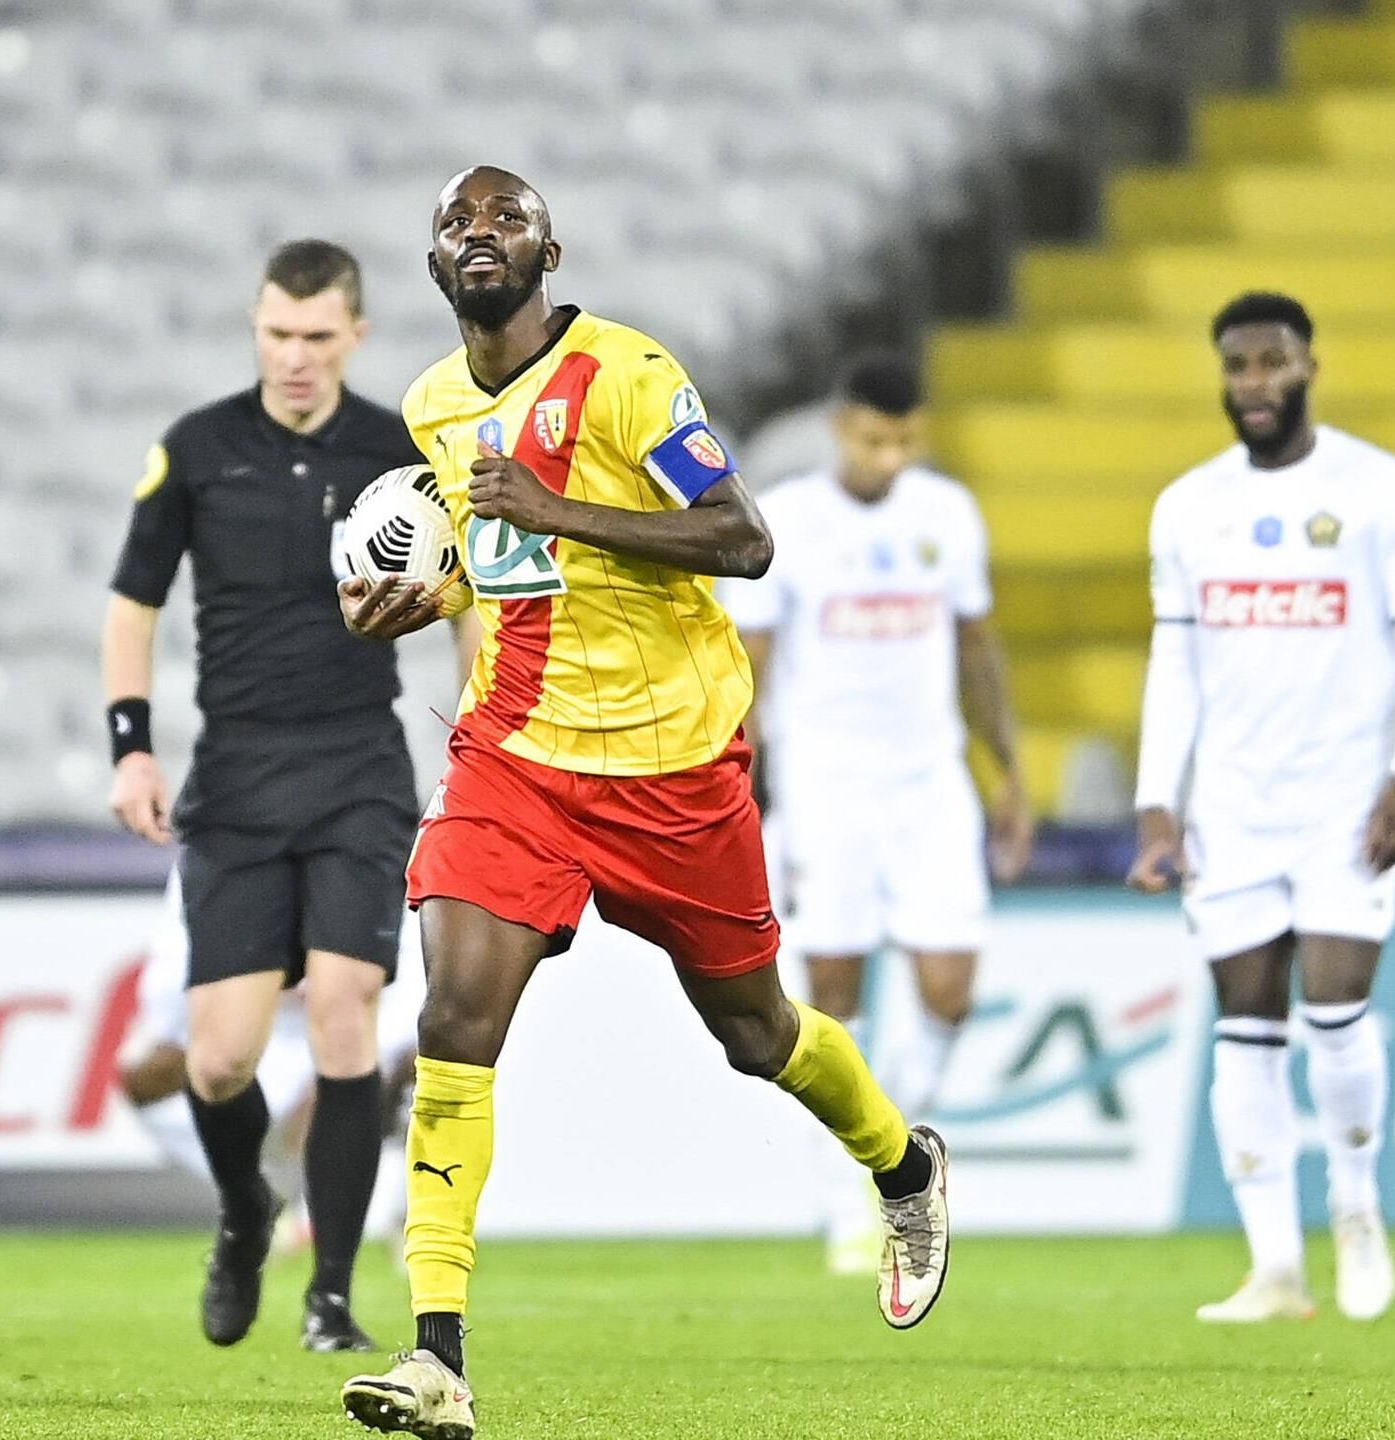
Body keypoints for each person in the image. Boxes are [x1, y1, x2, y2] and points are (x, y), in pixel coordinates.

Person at [334, 167, 950, 1439]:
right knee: (453, 1011)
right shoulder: (431, 405)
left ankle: (901, 1163)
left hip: (674, 761)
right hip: (517, 753)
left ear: (550, 248)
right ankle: (438, 1355)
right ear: (433, 263)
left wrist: (552, 502)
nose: (481, 234)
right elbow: (504, 566)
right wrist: (417, 596)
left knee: (756, 1033)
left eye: (505, 217)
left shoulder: (627, 374)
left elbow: (743, 539)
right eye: (458, 222)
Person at [102, 238, 473, 1353]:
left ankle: (332, 1298)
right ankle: (242, 1210)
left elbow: (468, 597)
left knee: (350, 1017)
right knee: (217, 1057)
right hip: (238, 772)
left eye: (316, 337)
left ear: (354, 334)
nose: (295, 357)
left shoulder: (398, 453)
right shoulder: (199, 449)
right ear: (256, 328)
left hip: (359, 765)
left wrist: (476, 726)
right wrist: (131, 746)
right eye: (277, 334)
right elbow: (132, 602)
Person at [1128, 291, 1395, 1325]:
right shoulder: (1186, 506)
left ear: (1309, 364)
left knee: (1335, 1010)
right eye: (1236, 366)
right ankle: (1274, 1266)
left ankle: (1356, 1210)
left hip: (1345, 799)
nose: (1254, 384)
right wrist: (1154, 804)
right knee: (1247, 1025)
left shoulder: (1378, 490)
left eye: (1271, 362)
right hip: (1230, 803)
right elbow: (1172, 659)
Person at [719, 354, 1031, 1275]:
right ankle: (847, 1199)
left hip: (930, 780)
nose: (887, 458)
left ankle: (896, 1160)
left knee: (949, 989)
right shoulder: (793, 521)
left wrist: (1005, 771)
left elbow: (974, 645)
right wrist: (738, 781)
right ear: (840, 427)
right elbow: (754, 665)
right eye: (871, 439)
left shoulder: (947, 514)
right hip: (826, 783)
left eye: (903, 441)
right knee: (834, 996)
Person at [118, 870, 426, 1252]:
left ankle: (386, 1207)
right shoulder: (215, 844)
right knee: (150, 1076)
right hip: (252, 1038)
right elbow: (174, 967)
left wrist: (356, 1062)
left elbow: (418, 983)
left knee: (407, 1063)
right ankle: (257, 1193)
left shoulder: (369, 840)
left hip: (356, 1031)